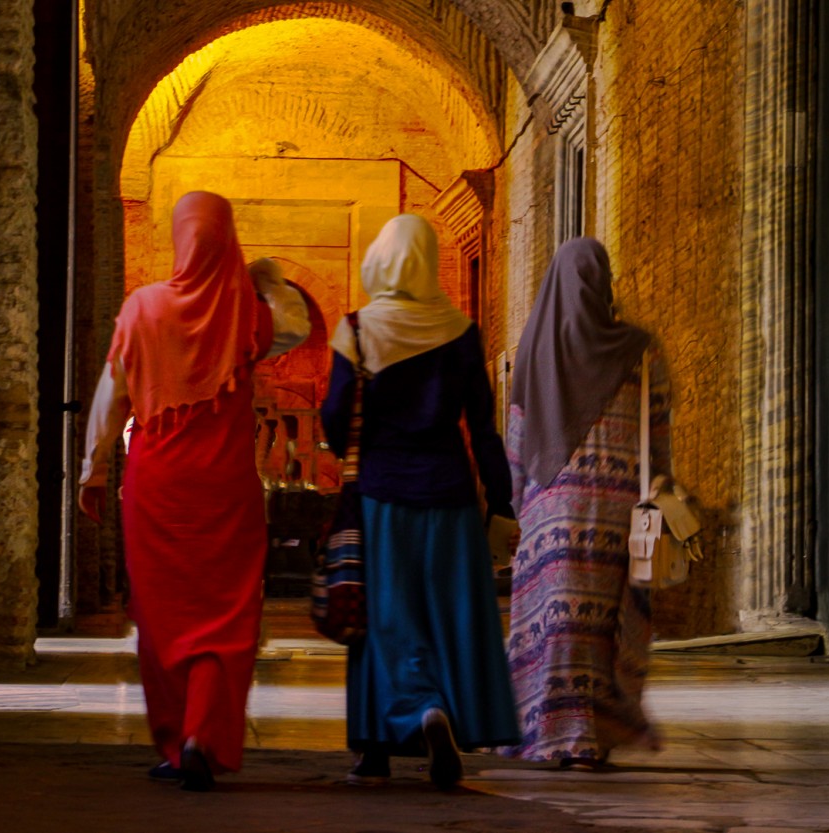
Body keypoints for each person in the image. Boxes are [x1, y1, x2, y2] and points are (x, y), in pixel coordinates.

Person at [78, 192, 308, 791]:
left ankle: (179, 740)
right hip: (226, 490)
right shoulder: (246, 315)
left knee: (163, 617)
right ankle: (204, 733)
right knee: (226, 613)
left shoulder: (142, 308)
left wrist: (94, 470)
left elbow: (111, 397)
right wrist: (268, 279)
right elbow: (296, 327)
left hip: (157, 487)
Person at [320, 213, 520, 790]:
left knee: (384, 621)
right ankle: (434, 721)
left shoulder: (357, 329)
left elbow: (335, 414)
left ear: (381, 259)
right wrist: (499, 502)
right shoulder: (460, 330)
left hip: (382, 496)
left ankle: (405, 723)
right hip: (451, 497)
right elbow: (483, 425)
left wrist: (354, 451)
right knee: (444, 618)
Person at [503, 236, 668, 768]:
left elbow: (516, 438)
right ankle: (592, 733)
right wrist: (659, 486)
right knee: (600, 624)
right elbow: (657, 431)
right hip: (617, 511)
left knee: (553, 622)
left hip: (550, 508)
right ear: (604, 283)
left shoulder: (533, 349)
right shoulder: (640, 348)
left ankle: (546, 730)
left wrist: (517, 504)